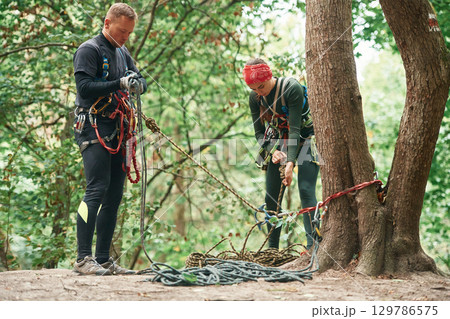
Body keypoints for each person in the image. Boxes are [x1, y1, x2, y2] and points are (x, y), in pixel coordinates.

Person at [72, 3, 147, 275]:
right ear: (107, 23)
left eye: (129, 33)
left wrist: (136, 81)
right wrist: (120, 84)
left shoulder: (122, 52)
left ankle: (103, 258)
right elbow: (84, 87)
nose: (125, 37)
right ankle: (83, 258)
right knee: (96, 188)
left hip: (118, 128)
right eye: (121, 31)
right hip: (92, 126)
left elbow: (140, 80)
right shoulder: (89, 50)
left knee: (114, 194)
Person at [243, 58, 319, 250]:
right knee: (272, 197)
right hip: (279, 141)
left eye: (261, 86)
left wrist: (290, 164)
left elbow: (294, 130)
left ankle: (313, 246)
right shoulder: (255, 98)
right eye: (254, 89)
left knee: (306, 189)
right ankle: (272, 250)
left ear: (270, 77)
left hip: (306, 138)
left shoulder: (290, 88)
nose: (259, 92)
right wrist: (273, 151)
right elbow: (259, 133)